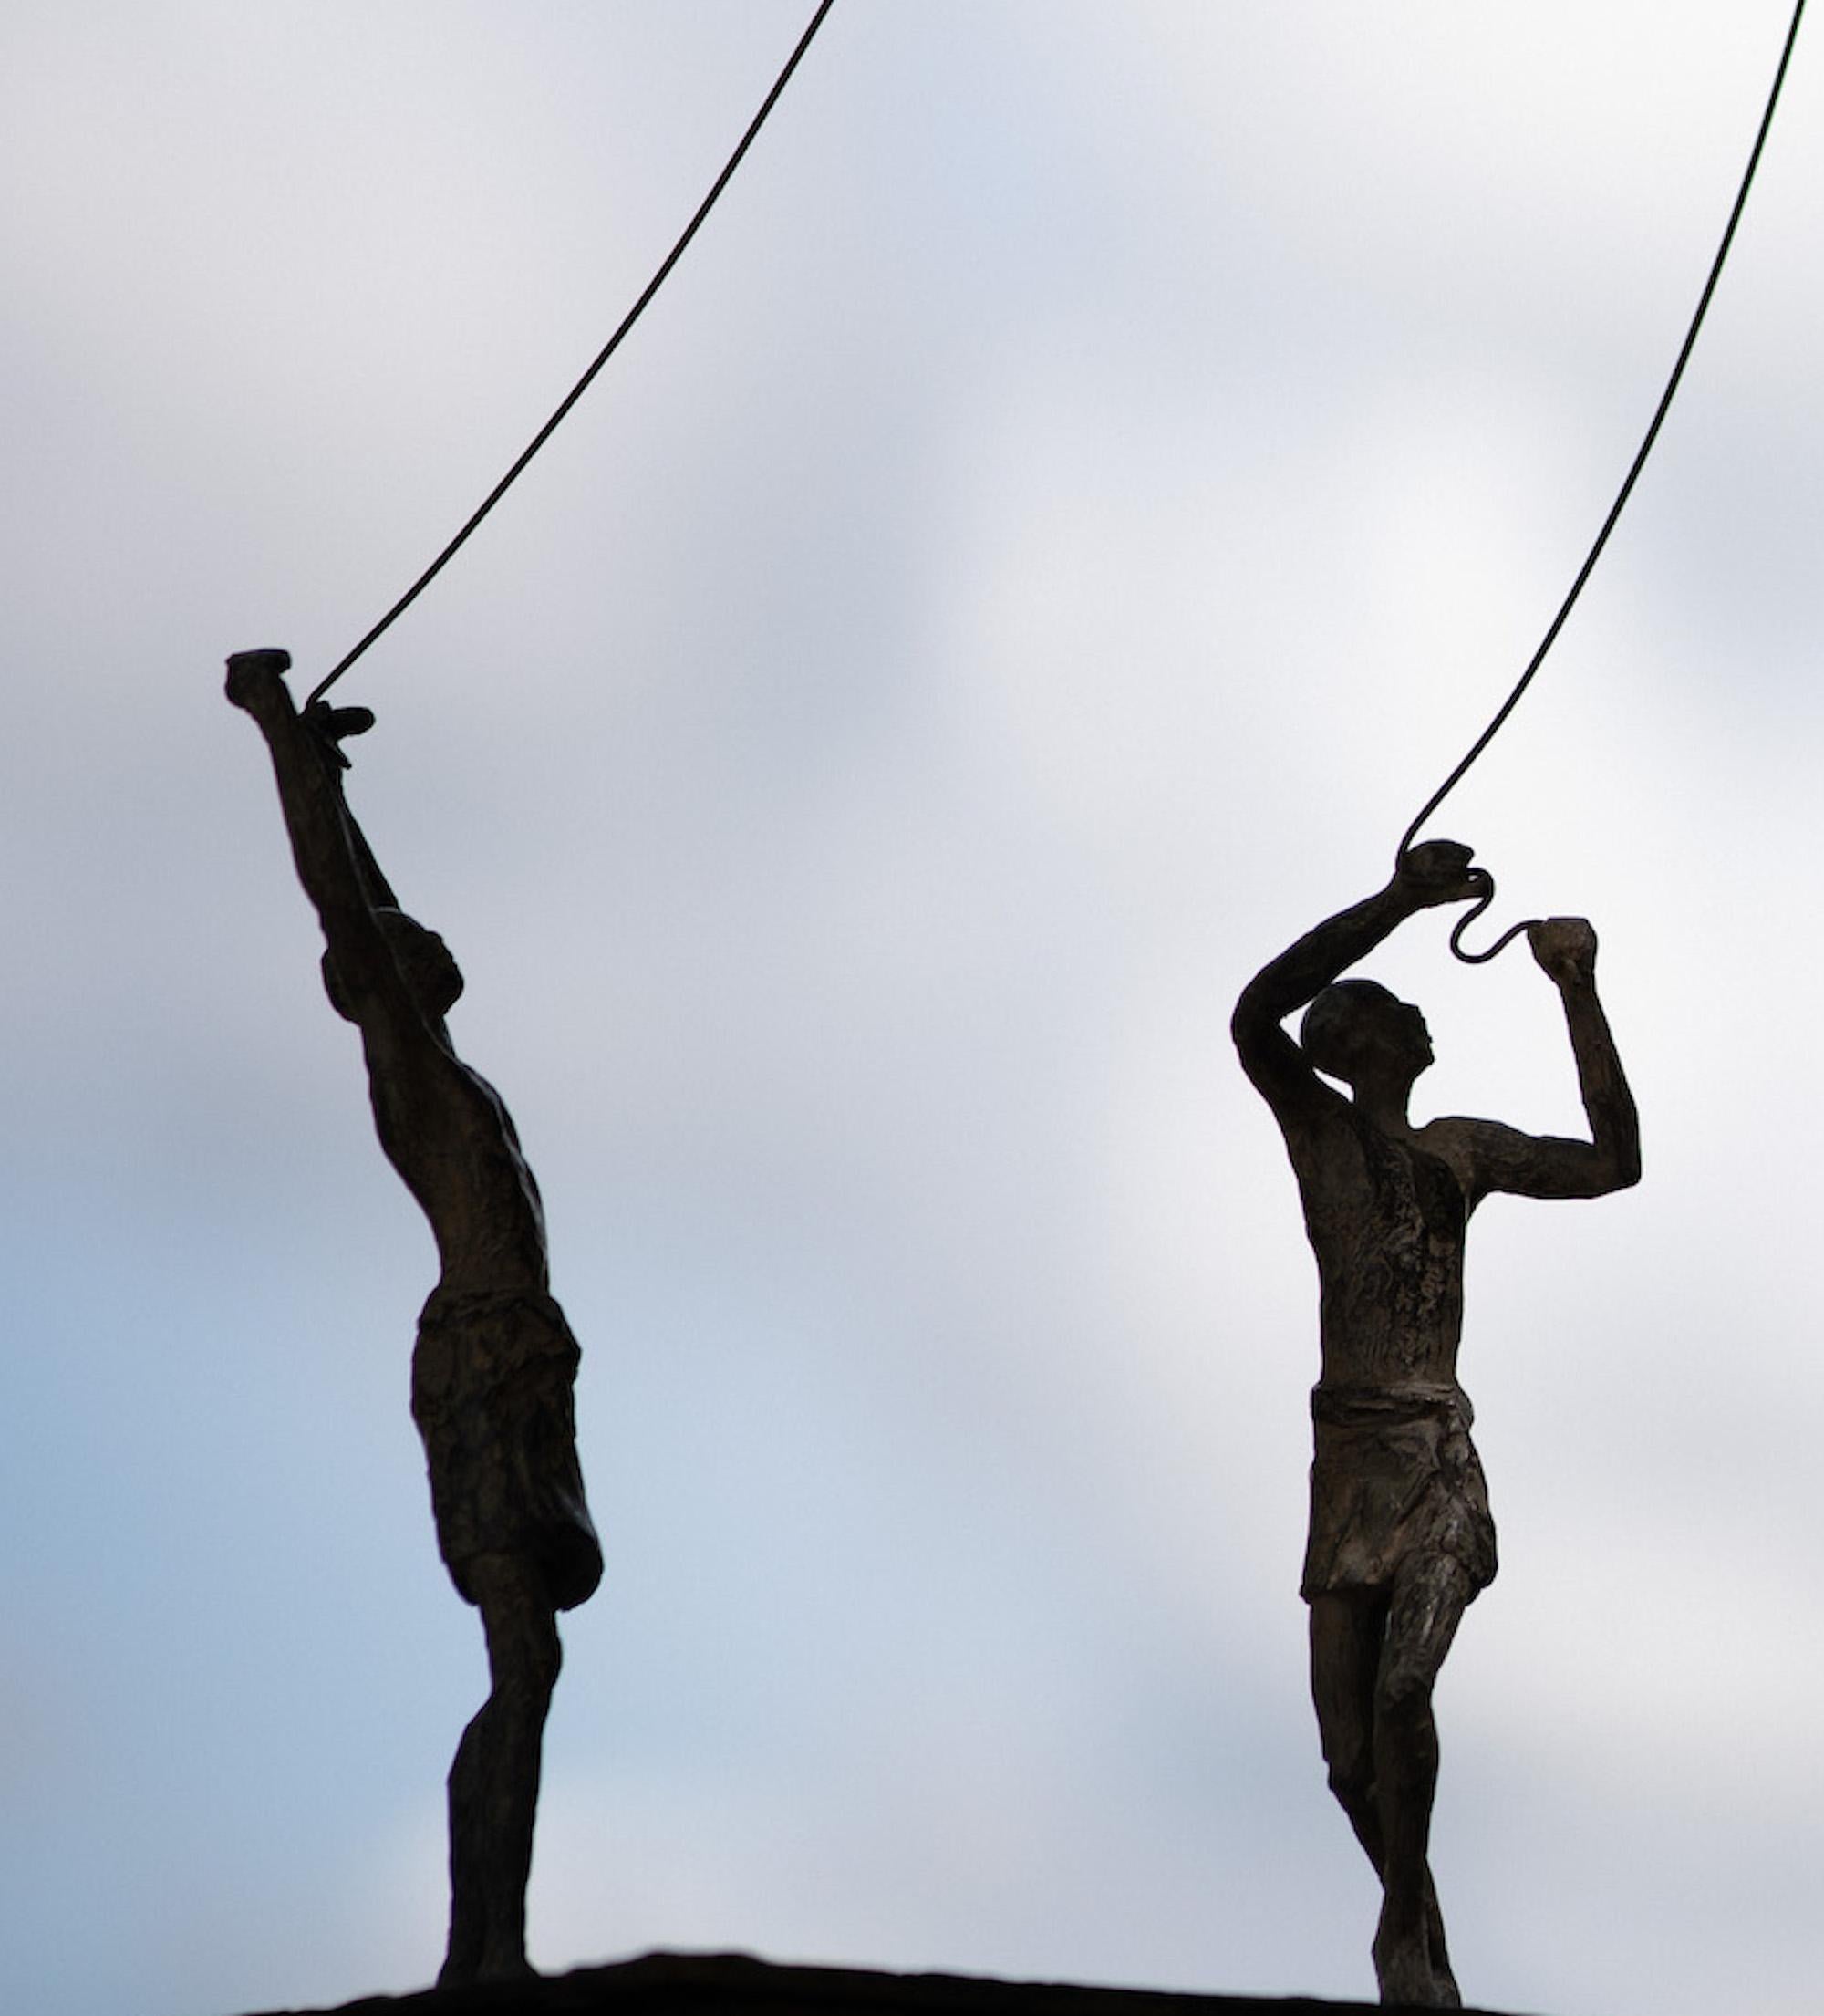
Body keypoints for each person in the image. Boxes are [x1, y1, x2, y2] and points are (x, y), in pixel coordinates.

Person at [225, 648, 603, 1987]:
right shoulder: (414, 1066)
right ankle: (481, 1948)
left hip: (520, 1354)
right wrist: (276, 728)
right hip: (486, 1354)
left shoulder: (458, 1071)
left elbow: (370, 900)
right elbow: (343, 903)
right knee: (522, 1660)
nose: (429, 936)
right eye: (402, 946)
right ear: (376, 982)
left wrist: (334, 774)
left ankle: (486, 1943)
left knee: (532, 1662)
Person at [1230, 839, 1639, 2008]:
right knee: (1349, 1762)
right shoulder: (1316, 1129)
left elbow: (1614, 1161)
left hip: (1432, 1462)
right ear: (1351, 1039)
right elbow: (1255, 1011)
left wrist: (1577, 990)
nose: (1422, 1016)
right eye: (1399, 1005)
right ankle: (1422, 1939)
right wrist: (1397, 902)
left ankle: (1400, 1939)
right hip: (1346, 1461)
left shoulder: (1458, 1152)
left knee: (1403, 1694)